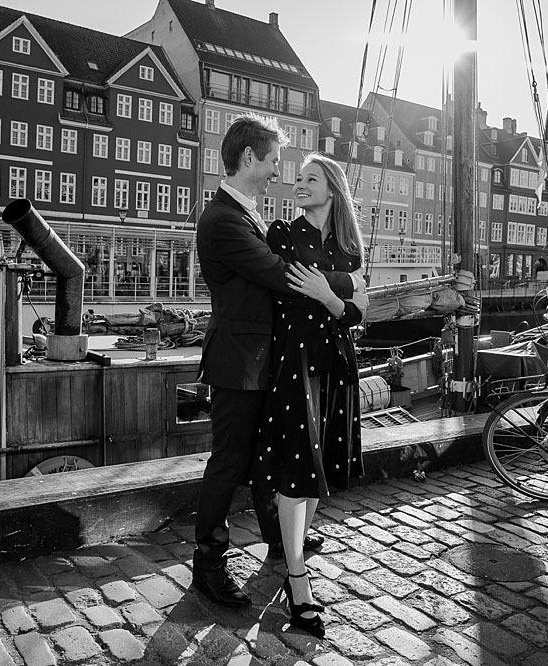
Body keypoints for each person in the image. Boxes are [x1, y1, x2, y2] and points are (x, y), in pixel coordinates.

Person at [192, 115, 360, 608]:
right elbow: (277, 272)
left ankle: (278, 541)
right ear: (249, 159)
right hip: (238, 362)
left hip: (262, 360)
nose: (275, 173)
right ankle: (208, 563)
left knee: (268, 455)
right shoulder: (223, 219)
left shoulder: (245, 214)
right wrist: (350, 284)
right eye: (271, 162)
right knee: (228, 463)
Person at [251, 153, 368, 638]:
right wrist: (339, 292)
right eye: (297, 178)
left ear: (333, 188)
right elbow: (289, 288)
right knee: (297, 470)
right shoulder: (282, 233)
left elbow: (359, 310)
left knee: (322, 464)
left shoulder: (348, 247)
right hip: (295, 361)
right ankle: (297, 580)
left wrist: (329, 293)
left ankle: (294, 546)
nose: (299, 184)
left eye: (310, 178)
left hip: (335, 361)